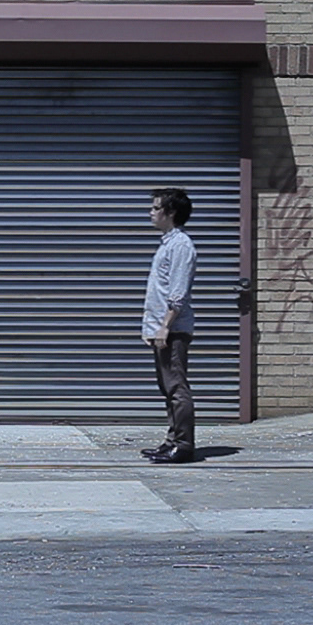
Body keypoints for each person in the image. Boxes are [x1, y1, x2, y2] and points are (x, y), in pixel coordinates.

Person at [140, 187, 197, 465]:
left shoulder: (181, 246)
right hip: (162, 329)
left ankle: (183, 445)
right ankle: (172, 440)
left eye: (155, 207)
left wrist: (164, 327)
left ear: (170, 212)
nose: (151, 212)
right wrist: (151, 328)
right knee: (167, 387)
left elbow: (178, 293)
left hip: (172, 329)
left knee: (176, 388)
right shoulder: (168, 244)